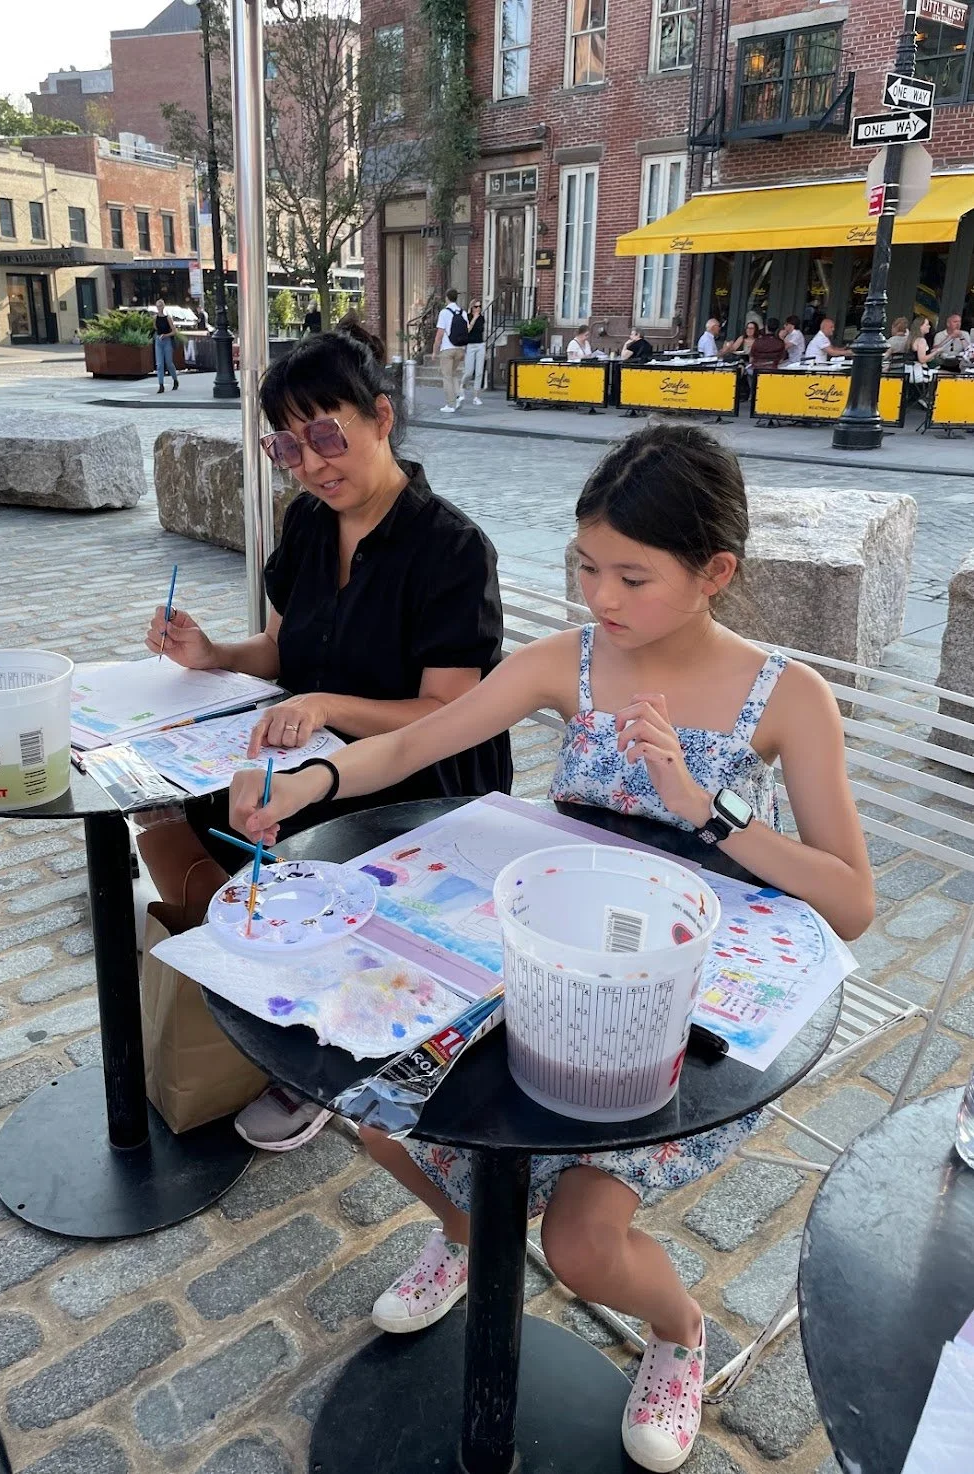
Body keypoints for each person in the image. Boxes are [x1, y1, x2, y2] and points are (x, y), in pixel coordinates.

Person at [230, 421, 873, 1472]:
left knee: (579, 1242)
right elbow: (413, 742)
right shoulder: (566, 661)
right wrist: (308, 783)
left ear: (714, 573)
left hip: (676, 1008)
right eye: (585, 566)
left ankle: (679, 1333)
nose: (600, 597)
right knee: (378, 1108)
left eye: (632, 576)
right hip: (541, 966)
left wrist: (703, 807)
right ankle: (463, 1234)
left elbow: (849, 901)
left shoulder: (783, 696)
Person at [138, 320, 513, 1149]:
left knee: (287, 838)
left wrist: (326, 704)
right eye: (287, 447)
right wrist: (212, 653)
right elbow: (281, 650)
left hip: (424, 783)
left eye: (326, 435)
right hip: (315, 757)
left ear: (381, 417)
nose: (310, 464)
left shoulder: (451, 549)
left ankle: (319, 1045)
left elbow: (447, 712)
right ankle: (257, 987)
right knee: (184, 805)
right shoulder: (307, 524)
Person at [432, 289, 469, 413]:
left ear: (447, 298)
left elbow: (440, 334)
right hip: (460, 348)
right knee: (453, 374)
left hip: (447, 349)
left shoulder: (444, 312)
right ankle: (459, 395)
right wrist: (465, 349)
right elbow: (466, 331)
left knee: (447, 376)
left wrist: (435, 351)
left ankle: (450, 404)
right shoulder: (463, 312)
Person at [461, 299, 486, 403]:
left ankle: (476, 397)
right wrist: (474, 318)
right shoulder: (467, 317)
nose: (478, 308)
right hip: (470, 345)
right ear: (471, 307)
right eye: (476, 306)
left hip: (480, 345)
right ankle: (462, 387)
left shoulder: (482, 318)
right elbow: (467, 331)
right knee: (469, 372)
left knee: (479, 372)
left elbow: (482, 331)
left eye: (480, 306)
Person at [152, 299, 179, 394]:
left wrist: (166, 335)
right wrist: (159, 336)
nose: (159, 308)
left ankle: (175, 380)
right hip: (159, 340)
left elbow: (174, 331)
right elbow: (155, 328)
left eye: (160, 306)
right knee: (159, 364)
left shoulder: (168, 318)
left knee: (169, 362)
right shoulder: (155, 318)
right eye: (157, 306)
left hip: (167, 340)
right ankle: (161, 385)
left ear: (163, 306)